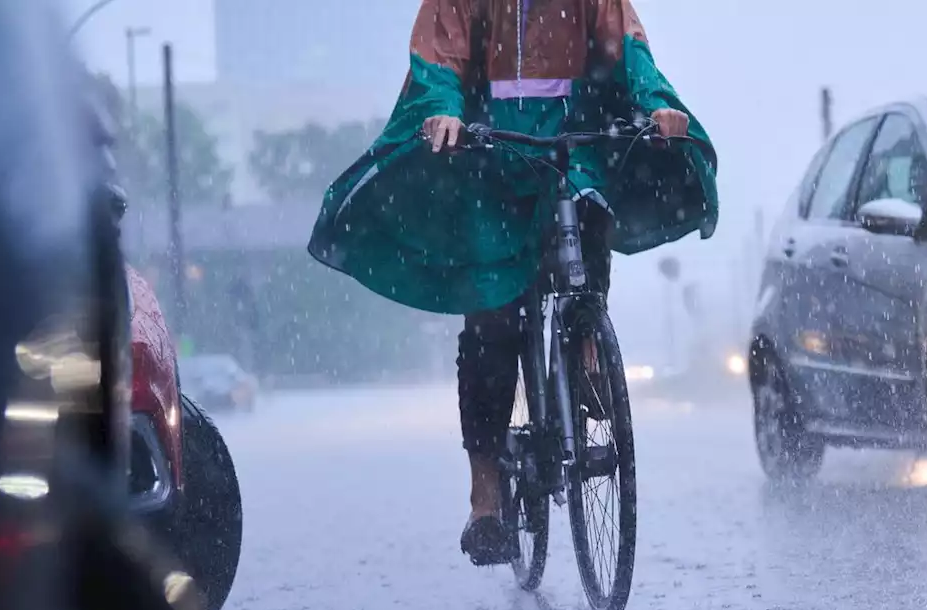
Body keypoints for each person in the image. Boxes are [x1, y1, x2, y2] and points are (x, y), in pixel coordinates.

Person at [308, 0, 719, 565]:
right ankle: (486, 492)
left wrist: (658, 105)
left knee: (588, 215)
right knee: (493, 320)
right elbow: (438, 61)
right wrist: (442, 112)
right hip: (491, 158)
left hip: (572, 146)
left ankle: (586, 342)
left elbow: (629, 49)